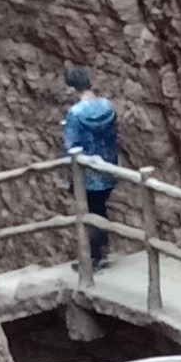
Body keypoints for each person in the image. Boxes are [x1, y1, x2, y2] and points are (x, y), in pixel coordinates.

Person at [60, 64, 121, 269]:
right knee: (100, 208)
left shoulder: (75, 114)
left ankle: (94, 258)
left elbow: (70, 144)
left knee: (89, 212)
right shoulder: (107, 106)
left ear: (72, 87)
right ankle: (101, 251)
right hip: (108, 167)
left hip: (86, 173)